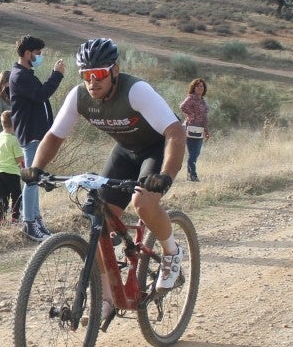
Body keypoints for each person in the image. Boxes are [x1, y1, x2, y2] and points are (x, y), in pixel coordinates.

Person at [23, 37, 187, 298]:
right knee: (99, 219)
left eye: (99, 73)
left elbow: (175, 132)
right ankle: (106, 298)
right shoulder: (78, 97)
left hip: (157, 148)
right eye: (86, 75)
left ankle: (171, 252)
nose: (92, 81)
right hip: (125, 151)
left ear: (115, 71)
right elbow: (54, 136)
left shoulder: (136, 91)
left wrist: (165, 175)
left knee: (143, 204)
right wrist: (36, 168)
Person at [9, 35, 65, 242]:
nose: (40, 57)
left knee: (36, 177)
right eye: (38, 54)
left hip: (36, 134)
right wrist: (56, 76)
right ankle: (29, 223)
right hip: (31, 135)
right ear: (27, 53)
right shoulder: (19, 76)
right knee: (32, 180)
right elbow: (41, 95)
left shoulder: (26, 74)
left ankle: (36, 219)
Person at [0, 110, 24, 226]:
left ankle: (1, 218)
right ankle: (15, 218)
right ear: (15, 122)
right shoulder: (14, 140)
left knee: (2, 195)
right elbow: (18, 159)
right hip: (11, 172)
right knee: (16, 195)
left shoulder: (0, 136)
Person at [179, 78, 210, 182]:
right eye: (198, 86)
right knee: (194, 153)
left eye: (202, 86)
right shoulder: (191, 98)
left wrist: (206, 130)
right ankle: (193, 176)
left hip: (200, 129)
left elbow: (205, 117)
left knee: (195, 153)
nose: (200, 88)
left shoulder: (202, 100)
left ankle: (190, 176)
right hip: (191, 127)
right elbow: (182, 106)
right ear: (194, 87)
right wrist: (191, 115)